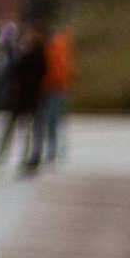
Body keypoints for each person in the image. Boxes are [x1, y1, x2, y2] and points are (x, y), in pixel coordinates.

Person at [0, 22, 47, 176]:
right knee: (26, 131)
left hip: (19, 98)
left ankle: (0, 160)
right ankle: (22, 160)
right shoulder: (41, 56)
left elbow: (12, 71)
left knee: (10, 131)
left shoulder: (27, 56)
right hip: (31, 99)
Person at [36, 14, 76, 167]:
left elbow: (62, 70)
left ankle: (52, 150)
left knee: (53, 121)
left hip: (55, 89)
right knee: (46, 122)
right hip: (49, 88)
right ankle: (46, 150)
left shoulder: (58, 47)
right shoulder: (54, 47)